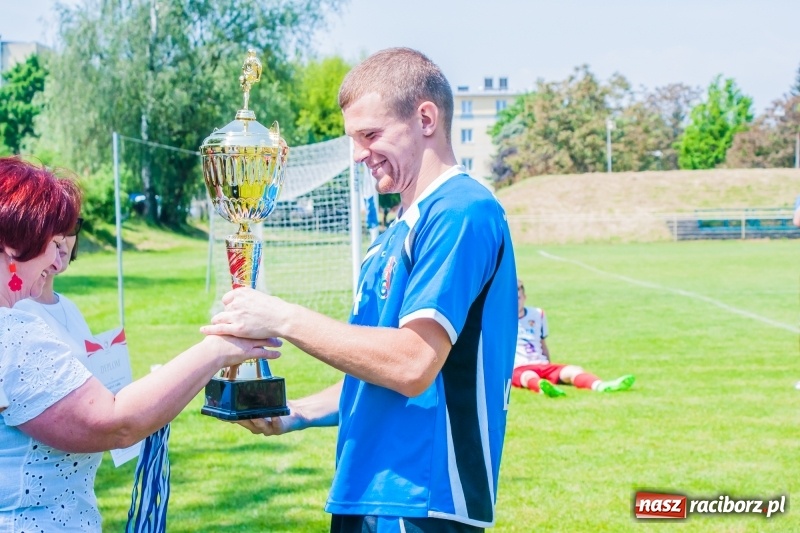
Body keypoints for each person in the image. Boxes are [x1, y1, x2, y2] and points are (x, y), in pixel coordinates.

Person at [202, 47, 517, 532]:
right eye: (353, 138)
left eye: (370, 135)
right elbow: (376, 371)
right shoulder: (393, 234)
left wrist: (282, 318)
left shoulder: (461, 210)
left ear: (426, 118)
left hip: (423, 496)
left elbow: (412, 364)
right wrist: (297, 413)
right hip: (364, 491)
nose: (356, 154)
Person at [0, 156, 280, 532]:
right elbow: (115, 423)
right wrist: (220, 348)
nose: (58, 256)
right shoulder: (13, 331)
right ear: (13, 244)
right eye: (50, 241)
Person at [514, 279, 635, 398]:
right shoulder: (500, 319)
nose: (516, 302)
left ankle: (601, 386)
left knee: (573, 370)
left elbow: (542, 342)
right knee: (527, 376)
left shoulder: (537, 314)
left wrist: (548, 364)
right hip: (518, 367)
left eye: (518, 298)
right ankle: (542, 388)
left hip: (541, 363)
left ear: (525, 297)